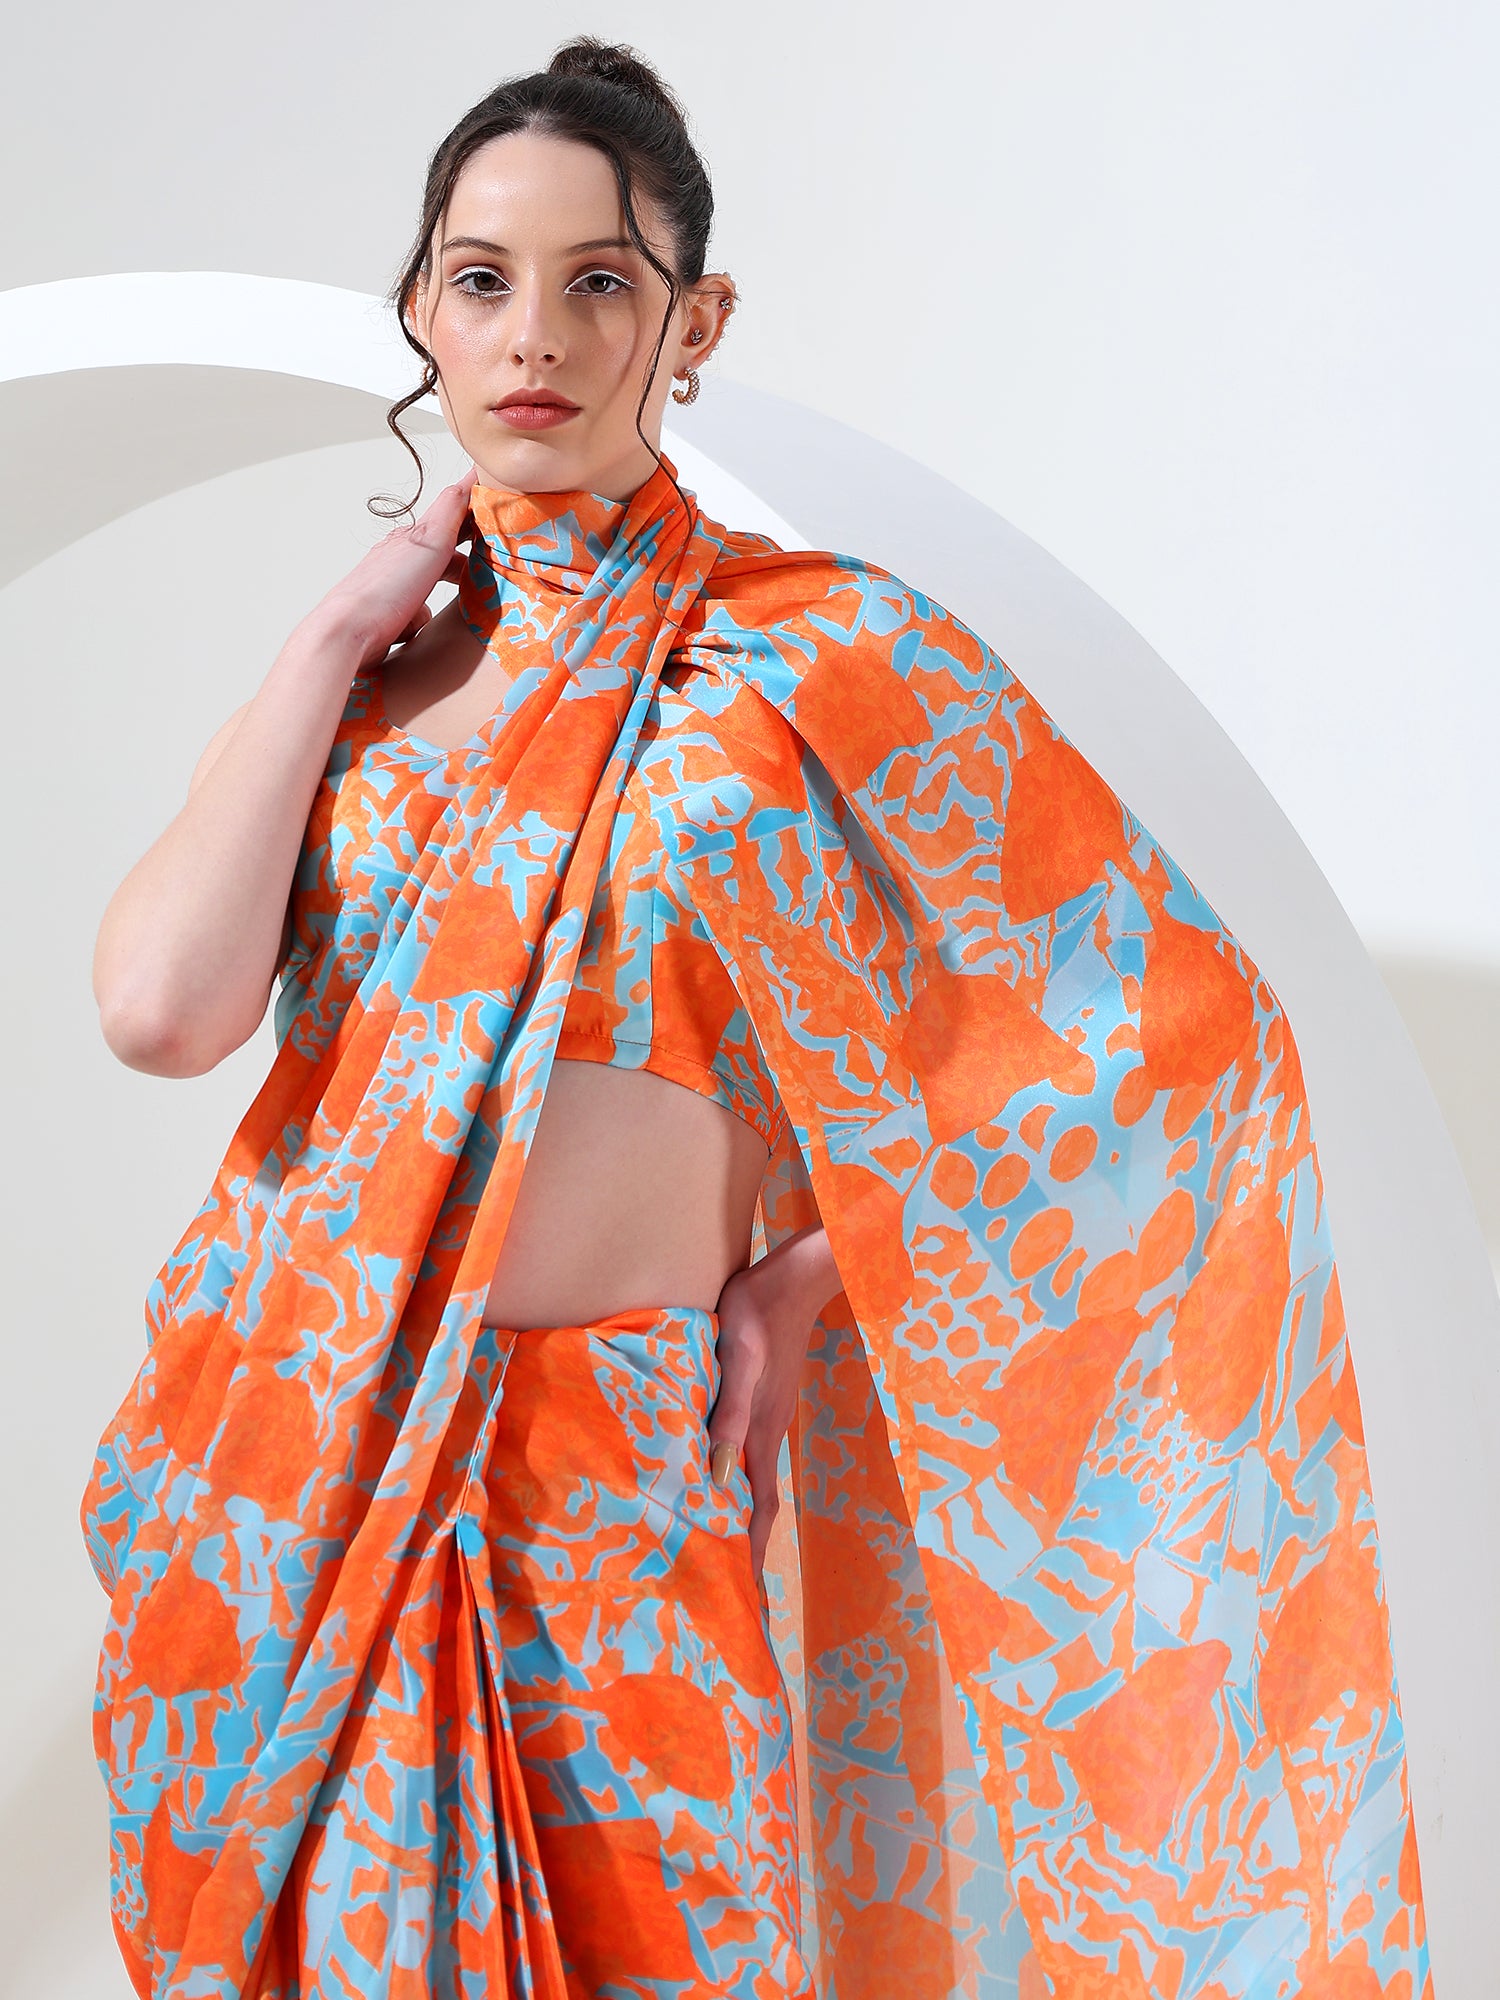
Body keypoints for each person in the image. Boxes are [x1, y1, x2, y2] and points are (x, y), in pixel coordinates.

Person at [82, 35, 1431, 2000]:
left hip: (624, 1471)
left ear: (693, 323)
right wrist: (331, 633)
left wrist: (808, 1278)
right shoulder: (361, 693)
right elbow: (159, 1010)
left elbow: (1167, 1027)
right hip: (294, 1462)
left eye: (599, 281)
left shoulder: (813, 657)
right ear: (420, 313)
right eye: (480, 279)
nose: (536, 333)